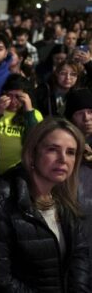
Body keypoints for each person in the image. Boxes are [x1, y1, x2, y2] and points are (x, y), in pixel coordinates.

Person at [0, 118, 91, 292]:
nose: (63, 159)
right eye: (53, 149)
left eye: (71, 152)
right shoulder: (0, 199)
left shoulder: (66, 197)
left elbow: (80, 256)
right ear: (32, 153)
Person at [0, 74, 43, 174]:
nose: (13, 101)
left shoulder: (34, 114)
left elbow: (35, 139)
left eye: (18, 97)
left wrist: (29, 112)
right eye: (9, 95)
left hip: (18, 170)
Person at [64, 88, 92, 278]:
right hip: (71, 215)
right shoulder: (63, 143)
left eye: (90, 112)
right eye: (80, 113)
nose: (87, 118)